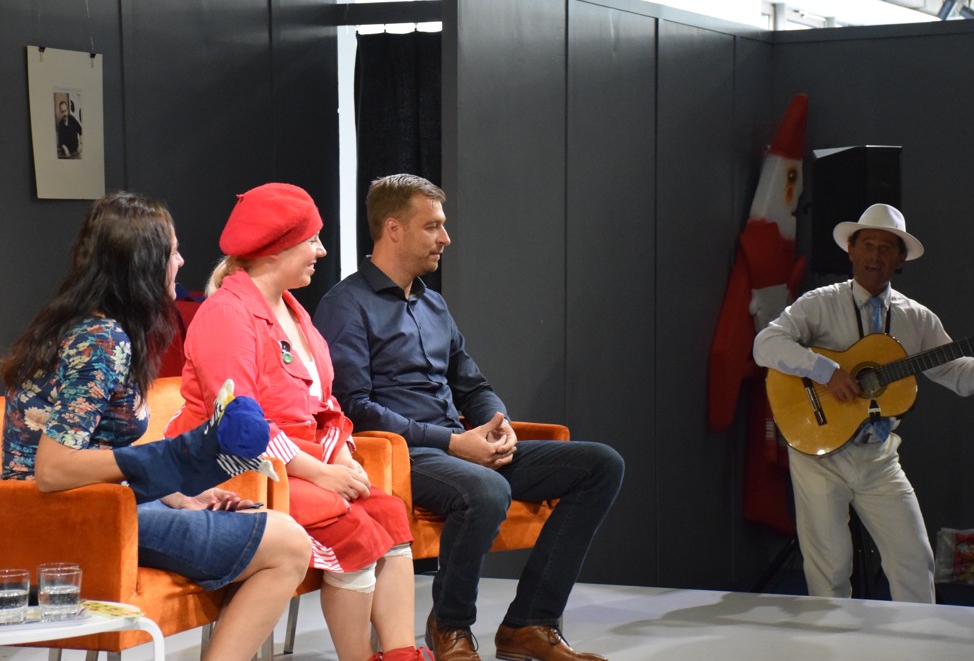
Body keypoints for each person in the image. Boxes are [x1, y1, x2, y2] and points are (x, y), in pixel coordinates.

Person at [314, 173, 625, 661]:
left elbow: (472, 385)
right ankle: (450, 625)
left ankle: (529, 623)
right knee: (486, 489)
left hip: (461, 448)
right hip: (401, 456)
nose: (446, 238)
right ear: (393, 229)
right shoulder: (345, 305)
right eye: (432, 226)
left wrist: (497, 423)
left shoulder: (433, 303)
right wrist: (452, 443)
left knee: (600, 465)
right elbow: (355, 407)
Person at [1, 192, 311, 661]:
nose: (181, 262)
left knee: (268, 526)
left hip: (92, 510)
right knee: (289, 544)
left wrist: (177, 494)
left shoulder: (87, 326)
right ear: (143, 264)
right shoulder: (102, 339)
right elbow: (53, 469)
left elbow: (94, 452)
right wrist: (170, 461)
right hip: (74, 522)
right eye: (173, 252)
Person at [166, 183, 431, 661]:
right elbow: (238, 425)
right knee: (353, 528)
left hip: (296, 465)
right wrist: (321, 473)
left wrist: (341, 456)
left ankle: (400, 654)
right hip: (235, 470)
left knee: (389, 512)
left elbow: (324, 402)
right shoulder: (227, 315)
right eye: (312, 240)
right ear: (276, 248)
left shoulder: (292, 309)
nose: (321, 251)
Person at [752, 203, 974, 603]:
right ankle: (833, 639)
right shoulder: (821, 303)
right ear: (851, 250)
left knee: (915, 562)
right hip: (820, 457)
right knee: (830, 569)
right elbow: (765, 344)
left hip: (878, 458)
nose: (875, 256)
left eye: (886, 248)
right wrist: (826, 371)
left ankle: (916, 637)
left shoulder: (916, 318)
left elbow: (959, 376)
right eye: (867, 245)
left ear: (900, 259)